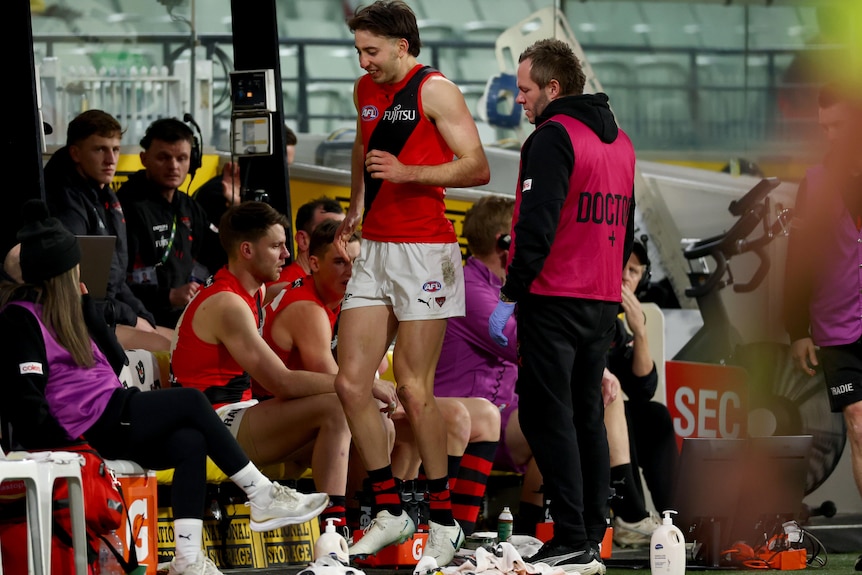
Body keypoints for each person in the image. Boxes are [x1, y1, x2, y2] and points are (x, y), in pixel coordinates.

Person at [0, 200, 329, 575]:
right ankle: (260, 492)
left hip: (110, 412)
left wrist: (89, 309)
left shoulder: (70, 310)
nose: (79, 270)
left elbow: (116, 362)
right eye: (73, 266)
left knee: (190, 442)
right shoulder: (20, 317)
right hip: (84, 427)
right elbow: (25, 397)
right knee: (190, 401)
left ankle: (188, 559)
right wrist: (64, 444)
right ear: (58, 272)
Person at [332, 0, 490, 566]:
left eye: (371, 50)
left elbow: (476, 166)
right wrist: (355, 204)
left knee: (414, 391)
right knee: (351, 384)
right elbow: (362, 145)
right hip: (375, 249)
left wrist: (409, 174)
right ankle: (390, 509)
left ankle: (444, 519)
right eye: (359, 51)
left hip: (427, 252)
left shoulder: (436, 91)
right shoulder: (363, 90)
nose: (364, 60)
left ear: (402, 46)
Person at [489, 38, 636, 574]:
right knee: (586, 417)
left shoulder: (552, 138)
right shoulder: (621, 143)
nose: (520, 101)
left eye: (526, 90)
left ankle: (572, 534)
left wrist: (512, 291)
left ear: (554, 88)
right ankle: (592, 534)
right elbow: (627, 227)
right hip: (600, 299)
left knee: (547, 416)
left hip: (553, 297)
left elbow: (536, 223)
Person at [171, 201, 388, 536]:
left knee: (367, 426)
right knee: (339, 407)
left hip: (239, 413)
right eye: (276, 246)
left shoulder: (255, 289)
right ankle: (333, 533)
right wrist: (361, 384)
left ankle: (366, 524)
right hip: (211, 424)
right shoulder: (227, 304)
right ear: (246, 250)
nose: (287, 254)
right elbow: (283, 383)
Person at [783, 83, 862, 572]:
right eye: (824, 127)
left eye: (839, 125)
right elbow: (799, 260)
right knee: (858, 424)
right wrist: (796, 328)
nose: (831, 135)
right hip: (836, 327)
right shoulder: (815, 181)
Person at [43, 109, 172, 352]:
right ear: (75, 153)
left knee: (181, 341)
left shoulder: (102, 193)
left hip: (106, 310)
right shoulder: (64, 202)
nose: (111, 159)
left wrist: (143, 316)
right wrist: (132, 318)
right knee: (165, 348)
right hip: (77, 320)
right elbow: (75, 289)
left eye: (115, 149)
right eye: (99, 149)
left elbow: (115, 279)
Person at [605, 242, 676, 548]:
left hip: (604, 415)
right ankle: (630, 516)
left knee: (654, 416)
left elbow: (644, 390)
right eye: (621, 266)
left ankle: (676, 517)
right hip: (573, 414)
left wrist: (641, 332)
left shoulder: (618, 326)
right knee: (614, 400)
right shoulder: (589, 312)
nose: (625, 277)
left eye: (633, 271)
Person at [117, 117, 210, 329]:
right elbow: (115, 283)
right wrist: (168, 296)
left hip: (186, 315)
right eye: (164, 158)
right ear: (144, 158)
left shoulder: (190, 206)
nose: (173, 166)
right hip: (143, 319)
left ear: (191, 161)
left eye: (182, 158)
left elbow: (212, 256)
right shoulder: (127, 206)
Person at [194, 125, 298, 275]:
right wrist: (235, 209)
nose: (286, 173)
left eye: (288, 166)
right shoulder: (216, 193)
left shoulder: (267, 194)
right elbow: (218, 252)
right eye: (282, 166)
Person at [266, 195, 345, 299]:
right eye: (330, 232)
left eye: (345, 232)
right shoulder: (283, 287)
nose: (342, 241)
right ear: (303, 240)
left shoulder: (337, 289)